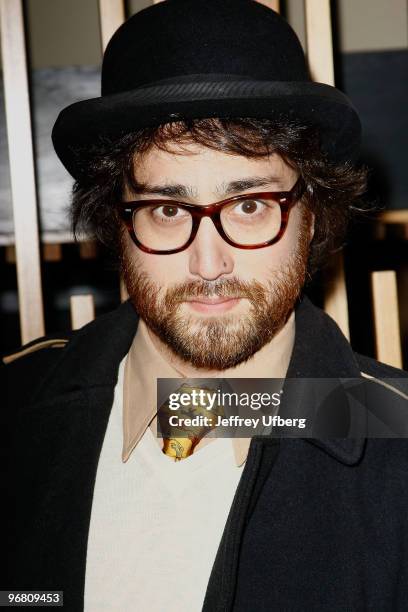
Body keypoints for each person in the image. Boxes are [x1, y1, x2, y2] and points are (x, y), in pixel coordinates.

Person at [2, 1, 408, 611]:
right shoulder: (12, 407)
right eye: (167, 210)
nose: (209, 265)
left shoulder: (398, 444)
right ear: (116, 220)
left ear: (311, 214)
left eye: (249, 206)